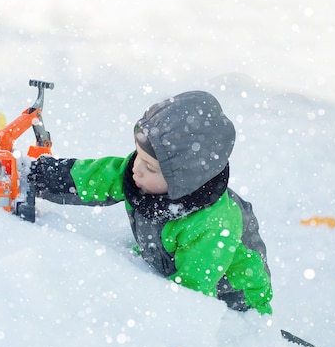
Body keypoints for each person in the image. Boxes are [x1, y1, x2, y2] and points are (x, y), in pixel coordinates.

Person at [29, 90, 273, 314]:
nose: (136, 168)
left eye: (149, 167)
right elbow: (94, 178)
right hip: (171, 263)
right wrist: (39, 176)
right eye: (138, 156)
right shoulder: (145, 177)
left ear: (183, 181)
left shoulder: (212, 225)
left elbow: (192, 299)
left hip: (232, 296)